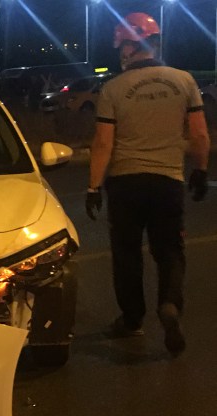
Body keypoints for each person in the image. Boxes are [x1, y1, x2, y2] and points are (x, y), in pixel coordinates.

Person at [86, 12, 210, 357]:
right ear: (154, 42)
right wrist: (201, 170)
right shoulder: (184, 81)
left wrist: (93, 187)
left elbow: (103, 143)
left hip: (125, 184)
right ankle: (169, 304)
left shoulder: (113, 88)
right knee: (170, 250)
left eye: (121, 47)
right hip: (167, 182)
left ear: (128, 46)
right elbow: (199, 134)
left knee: (127, 255)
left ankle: (132, 319)